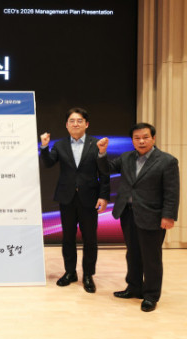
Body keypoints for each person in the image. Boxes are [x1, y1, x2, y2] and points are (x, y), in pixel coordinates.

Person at [97, 123, 179, 312]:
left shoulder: (167, 161)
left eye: (145, 137)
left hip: (153, 215)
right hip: (128, 213)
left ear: (153, 138)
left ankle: (151, 295)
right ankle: (134, 288)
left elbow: (172, 192)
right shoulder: (126, 157)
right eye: (137, 138)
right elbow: (106, 169)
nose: (141, 141)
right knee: (132, 253)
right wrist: (102, 152)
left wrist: (168, 215)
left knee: (151, 257)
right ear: (132, 140)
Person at [40, 107, 110, 293]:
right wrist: (44, 147)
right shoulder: (60, 145)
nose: (75, 124)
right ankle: (70, 272)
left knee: (90, 239)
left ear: (86, 124)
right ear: (66, 125)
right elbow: (48, 163)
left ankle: (88, 275)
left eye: (79, 121)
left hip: (90, 198)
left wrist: (104, 196)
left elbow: (104, 173)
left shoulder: (96, 144)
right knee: (68, 238)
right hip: (67, 198)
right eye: (72, 121)